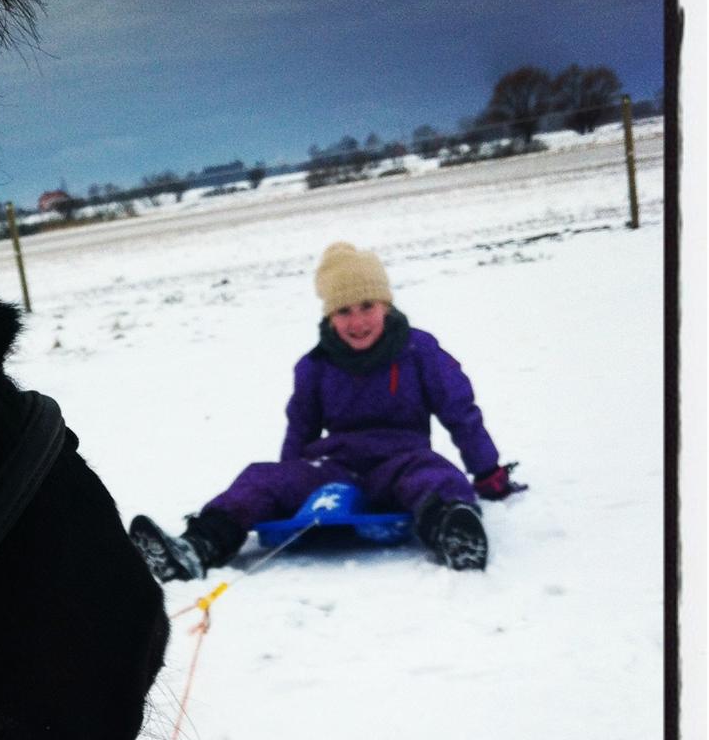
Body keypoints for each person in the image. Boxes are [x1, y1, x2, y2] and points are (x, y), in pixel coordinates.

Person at [129, 241, 525, 579]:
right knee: (260, 478)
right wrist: (289, 485)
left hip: (402, 459)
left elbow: (460, 411)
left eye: (366, 306)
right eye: (343, 311)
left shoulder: (419, 352)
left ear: (385, 305)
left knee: (434, 475)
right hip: (335, 465)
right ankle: (198, 547)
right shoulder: (315, 365)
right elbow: (300, 427)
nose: (357, 321)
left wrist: (487, 472)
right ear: (329, 316)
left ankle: (453, 531)